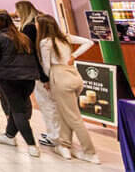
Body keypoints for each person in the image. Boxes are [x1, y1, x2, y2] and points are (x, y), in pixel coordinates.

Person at [35, 14, 98, 163]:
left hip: (59, 77)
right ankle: (65, 145)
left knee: (73, 117)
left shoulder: (45, 42)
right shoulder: (65, 38)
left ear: (42, 26)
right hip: (74, 76)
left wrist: (47, 80)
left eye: (37, 24)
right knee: (65, 112)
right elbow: (88, 42)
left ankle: (90, 152)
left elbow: (46, 65)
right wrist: (73, 56)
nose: (35, 26)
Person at [0, 11, 40, 157]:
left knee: (17, 111)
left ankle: (31, 145)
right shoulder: (23, 37)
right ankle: (9, 136)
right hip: (28, 79)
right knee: (19, 107)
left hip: (9, 78)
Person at [16, 0, 59, 148]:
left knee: (47, 104)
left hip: (40, 72)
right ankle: (55, 133)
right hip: (52, 71)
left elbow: (35, 54)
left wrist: (42, 76)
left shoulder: (29, 28)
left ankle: (55, 136)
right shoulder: (41, 23)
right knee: (51, 104)